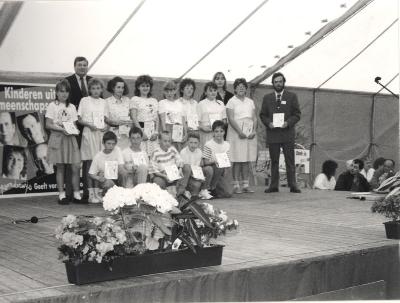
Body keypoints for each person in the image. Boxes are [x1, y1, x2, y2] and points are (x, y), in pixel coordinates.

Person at [260, 72, 301, 193]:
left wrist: (288, 122)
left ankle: (293, 185)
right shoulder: (267, 98)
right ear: (272, 83)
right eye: (276, 82)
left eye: (280, 81)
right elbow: (262, 115)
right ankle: (273, 185)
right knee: (274, 161)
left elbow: (297, 114)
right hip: (273, 134)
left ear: (284, 82)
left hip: (287, 133)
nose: (278, 83)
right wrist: (269, 123)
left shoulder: (292, 96)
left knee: (290, 160)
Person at [45, 79, 81, 204]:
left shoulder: (71, 107)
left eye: (66, 92)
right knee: (60, 167)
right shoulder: (52, 105)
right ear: (56, 92)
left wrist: (75, 130)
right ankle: (61, 194)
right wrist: (61, 129)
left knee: (75, 166)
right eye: (61, 91)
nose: (64, 94)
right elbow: (48, 124)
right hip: (58, 138)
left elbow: (75, 125)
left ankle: (77, 194)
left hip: (70, 138)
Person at [78, 78, 108, 203]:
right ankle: (90, 193)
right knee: (90, 163)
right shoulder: (84, 100)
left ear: (101, 89)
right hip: (89, 133)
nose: (96, 91)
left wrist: (106, 127)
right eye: (93, 88)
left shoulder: (103, 102)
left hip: (100, 134)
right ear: (89, 89)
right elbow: (79, 119)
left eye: (98, 88)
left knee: (100, 163)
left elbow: (106, 119)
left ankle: (98, 193)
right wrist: (89, 125)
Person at [226, 78, 257, 194]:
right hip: (236, 133)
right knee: (237, 159)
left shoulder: (250, 102)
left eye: (243, 86)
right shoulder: (231, 101)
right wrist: (239, 131)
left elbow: (254, 118)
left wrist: (254, 130)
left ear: (246, 89)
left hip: (248, 133)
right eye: (239, 87)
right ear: (235, 89)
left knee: (246, 159)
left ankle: (246, 184)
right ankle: (235, 185)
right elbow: (230, 118)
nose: (241, 88)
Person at [149, 131, 190, 197]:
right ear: (159, 141)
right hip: (163, 176)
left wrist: (180, 169)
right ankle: (164, 196)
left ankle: (179, 192)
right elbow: (154, 170)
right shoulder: (155, 153)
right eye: (165, 141)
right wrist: (165, 176)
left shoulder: (172, 149)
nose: (167, 143)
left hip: (174, 175)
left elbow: (179, 160)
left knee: (187, 167)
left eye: (169, 141)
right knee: (157, 181)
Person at [89, 131, 126, 198]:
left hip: (118, 178)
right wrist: (99, 178)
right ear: (103, 143)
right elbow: (91, 173)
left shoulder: (117, 150)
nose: (111, 146)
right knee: (107, 182)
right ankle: (111, 193)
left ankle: (122, 193)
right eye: (108, 143)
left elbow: (121, 166)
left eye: (113, 144)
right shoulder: (98, 156)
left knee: (124, 172)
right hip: (106, 180)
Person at [202, 120, 233, 198]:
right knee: (218, 166)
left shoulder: (227, 145)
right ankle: (210, 188)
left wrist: (226, 170)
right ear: (213, 132)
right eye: (216, 131)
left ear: (224, 132)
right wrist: (215, 160)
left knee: (228, 193)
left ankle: (216, 188)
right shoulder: (208, 144)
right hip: (212, 170)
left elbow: (228, 162)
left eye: (221, 131)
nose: (219, 133)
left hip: (222, 172)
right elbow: (205, 162)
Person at [130, 75, 159, 156]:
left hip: (152, 131)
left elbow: (157, 118)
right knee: (141, 155)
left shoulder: (154, 100)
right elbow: (134, 118)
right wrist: (141, 133)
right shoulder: (134, 99)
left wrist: (156, 132)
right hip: (141, 130)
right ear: (138, 87)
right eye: (143, 86)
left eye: (147, 86)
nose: (145, 88)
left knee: (153, 156)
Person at [180, 132, 213, 199]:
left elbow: (198, 167)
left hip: (195, 173)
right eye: (191, 142)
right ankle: (185, 190)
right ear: (187, 142)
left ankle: (203, 190)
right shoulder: (183, 152)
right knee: (196, 185)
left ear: (199, 143)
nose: (193, 145)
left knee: (209, 169)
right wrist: (197, 177)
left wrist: (200, 177)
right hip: (187, 176)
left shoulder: (199, 152)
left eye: (195, 143)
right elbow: (186, 170)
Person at [105, 76, 134, 149]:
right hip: (113, 135)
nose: (121, 90)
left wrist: (131, 122)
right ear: (113, 88)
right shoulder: (106, 102)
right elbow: (106, 119)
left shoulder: (128, 100)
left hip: (126, 135)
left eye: (122, 87)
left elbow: (132, 117)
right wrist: (116, 122)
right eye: (118, 87)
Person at [158, 80, 186, 151]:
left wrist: (185, 133)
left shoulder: (180, 103)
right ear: (164, 92)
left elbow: (183, 120)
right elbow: (162, 120)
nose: (169, 93)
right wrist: (165, 134)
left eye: (171, 91)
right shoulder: (162, 102)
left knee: (178, 151)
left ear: (175, 91)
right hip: (168, 128)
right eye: (167, 91)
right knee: (168, 151)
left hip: (179, 129)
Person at [198, 82, 227, 147]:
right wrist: (204, 128)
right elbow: (197, 121)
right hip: (206, 133)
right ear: (205, 92)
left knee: (218, 153)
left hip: (219, 133)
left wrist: (220, 127)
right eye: (210, 91)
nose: (213, 92)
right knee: (207, 153)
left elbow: (224, 119)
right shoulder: (201, 104)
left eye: (215, 90)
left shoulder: (221, 103)